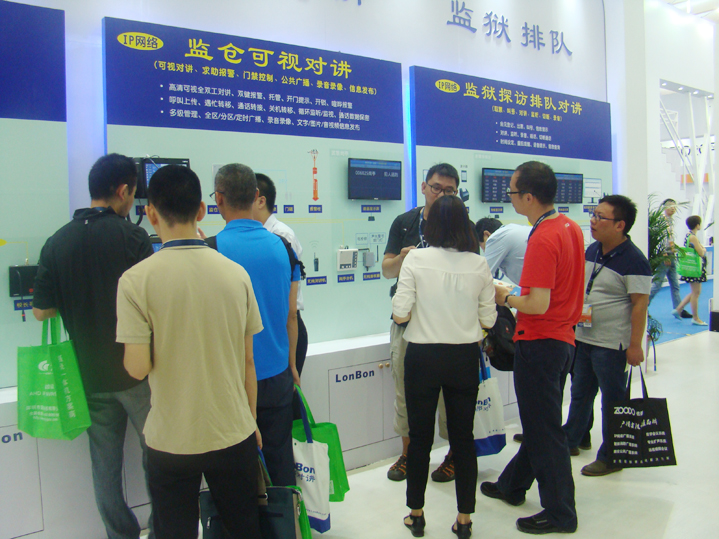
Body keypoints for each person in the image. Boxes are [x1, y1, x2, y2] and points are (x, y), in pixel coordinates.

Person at [117, 165, 263, 539]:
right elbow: (248, 361)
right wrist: (251, 422)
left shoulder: (134, 281)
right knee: (243, 527)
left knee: (174, 531)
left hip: (171, 438)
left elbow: (137, 368)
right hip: (232, 430)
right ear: (201, 210)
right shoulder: (236, 274)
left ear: (150, 213)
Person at [32, 153, 155, 539]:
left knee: (104, 466)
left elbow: (41, 312)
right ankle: (162, 528)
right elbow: (154, 303)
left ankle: (120, 534)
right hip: (137, 371)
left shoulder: (56, 242)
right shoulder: (133, 237)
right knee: (157, 455)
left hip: (87, 374)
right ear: (123, 190)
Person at [483, 161, 584, 535]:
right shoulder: (570, 227)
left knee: (544, 431)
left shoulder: (541, 238)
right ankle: (512, 485)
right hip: (563, 341)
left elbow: (537, 303)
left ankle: (561, 513)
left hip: (540, 342)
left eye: (511, 191)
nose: (509, 197)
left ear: (528, 196)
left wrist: (505, 296)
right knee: (541, 423)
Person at [392, 195, 497, 539]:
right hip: (464, 357)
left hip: (422, 357)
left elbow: (400, 313)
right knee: (463, 439)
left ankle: (416, 515)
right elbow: (488, 319)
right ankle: (464, 520)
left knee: (419, 438)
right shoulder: (479, 264)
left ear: (431, 225)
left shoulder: (416, 259)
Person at [209, 163, 301, 487]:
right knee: (280, 461)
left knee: (235, 473)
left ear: (218, 199)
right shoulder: (284, 248)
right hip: (276, 373)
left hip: (230, 379)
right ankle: (286, 515)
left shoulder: (210, 250)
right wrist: (292, 365)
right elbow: (292, 315)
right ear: (256, 196)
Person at [563, 195, 651, 477]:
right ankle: (571, 440)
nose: (593, 220)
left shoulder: (635, 261)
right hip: (585, 337)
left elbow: (640, 305)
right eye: (593, 214)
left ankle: (612, 455)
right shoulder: (593, 249)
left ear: (620, 225)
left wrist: (635, 346)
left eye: (601, 217)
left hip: (612, 344)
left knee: (613, 401)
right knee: (579, 394)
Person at [382, 163, 460, 483]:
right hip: (407, 324)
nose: (442, 194)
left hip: (447, 326)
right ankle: (409, 454)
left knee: (450, 397)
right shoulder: (405, 223)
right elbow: (386, 269)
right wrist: (404, 259)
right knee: (405, 392)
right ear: (424, 187)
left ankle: (454, 456)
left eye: (450, 190)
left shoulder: (461, 227)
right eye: (437, 187)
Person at [253, 173, 308, 381]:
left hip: (286, 329)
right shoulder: (258, 236)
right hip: (273, 329)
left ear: (261, 201)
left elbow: (289, 308)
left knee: (288, 392)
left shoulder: (281, 236)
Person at [649, 199, 691, 318]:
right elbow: (661, 239)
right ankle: (643, 306)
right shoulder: (661, 220)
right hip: (664, 256)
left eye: (674, 206)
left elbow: (670, 238)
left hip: (671, 255)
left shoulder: (671, 220)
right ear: (664, 207)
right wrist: (664, 254)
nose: (673, 208)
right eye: (670, 206)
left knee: (675, 285)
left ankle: (679, 309)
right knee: (657, 284)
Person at [672, 215, 708, 326]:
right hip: (694, 268)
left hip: (692, 267)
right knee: (696, 293)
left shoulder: (689, 236)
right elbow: (700, 252)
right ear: (697, 225)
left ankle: (679, 309)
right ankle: (695, 318)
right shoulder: (693, 237)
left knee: (694, 292)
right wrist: (703, 249)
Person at [476, 217, 530, 285]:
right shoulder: (513, 229)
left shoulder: (496, 237)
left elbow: (482, 277)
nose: (484, 251)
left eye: (481, 246)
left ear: (486, 235)